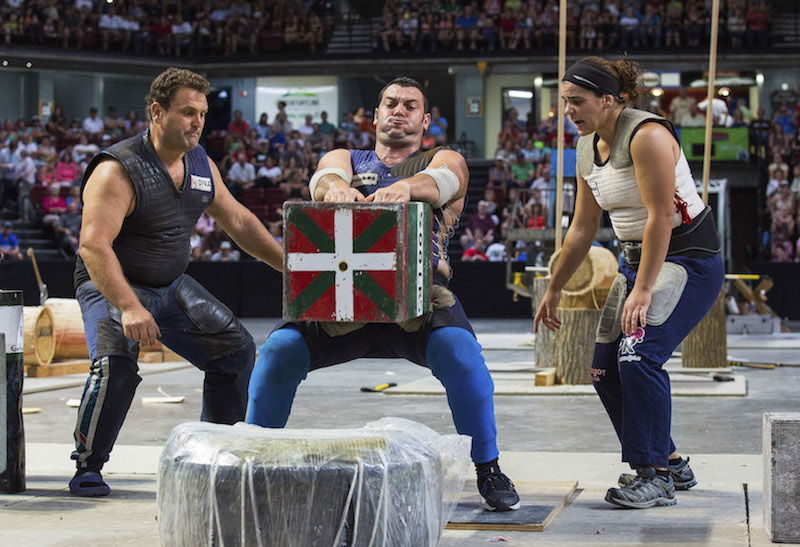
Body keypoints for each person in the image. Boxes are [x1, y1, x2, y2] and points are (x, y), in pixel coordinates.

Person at [246, 77, 520, 512]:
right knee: (279, 350)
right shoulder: (346, 157)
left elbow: (445, 180)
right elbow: (325, 175)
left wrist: (406, 188)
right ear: (374, 116)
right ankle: (252, 462)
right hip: (343, 295)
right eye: (390, 103)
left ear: (425, 120)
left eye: (410, 106)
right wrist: (335, 187)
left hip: (419, 298)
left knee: (460, 351)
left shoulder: (442, 159)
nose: (399, 111)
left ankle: (488, 467)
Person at [69, 68, 283, 498]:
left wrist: (291, 267)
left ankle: (216, 453)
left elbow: (239, 221)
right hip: (113, 283)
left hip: (169, 285)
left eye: (202, 113)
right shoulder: (118, 170)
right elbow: (93, 246)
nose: (198, 122)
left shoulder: (200, 163)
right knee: (115, 364)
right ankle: (88, 466)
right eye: (187, 112)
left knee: (235, 350)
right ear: (156, 112)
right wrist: (129, 306)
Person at [534, 57, 723, 509]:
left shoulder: (647, 136)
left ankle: (654, 476)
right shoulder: (585, 148)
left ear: (608, 100)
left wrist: (642, 288)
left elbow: (660, 217)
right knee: (603, 370)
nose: (568, 111)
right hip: (639, 262)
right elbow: (583, 227)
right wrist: (555, 287)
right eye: (564, 102)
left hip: (687, 259)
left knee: (638, 357)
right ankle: (671, 461)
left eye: (577, 101)